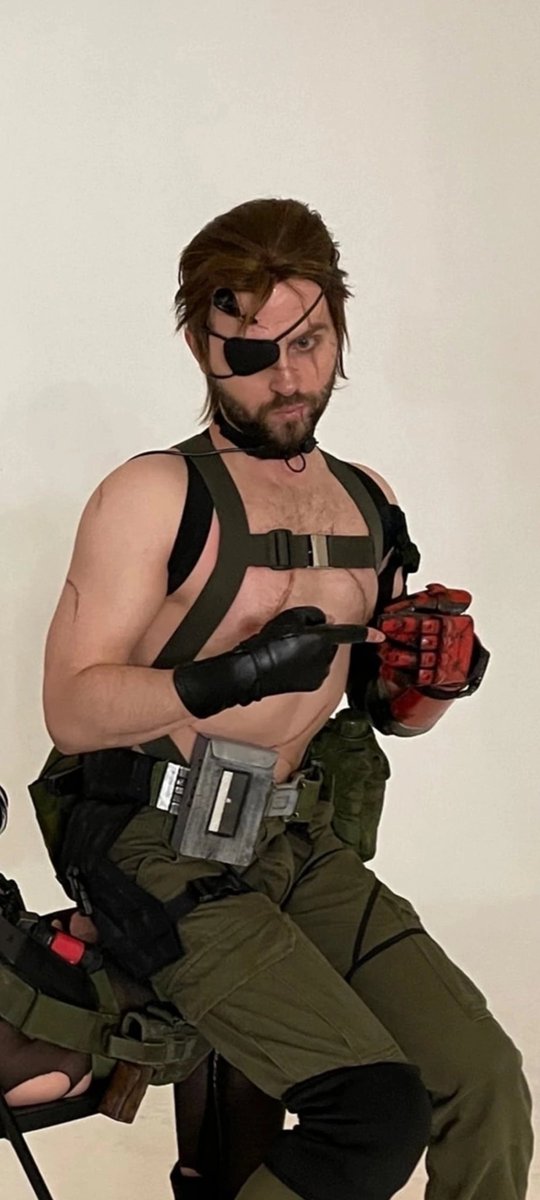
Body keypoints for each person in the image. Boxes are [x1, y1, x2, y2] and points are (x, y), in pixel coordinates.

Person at [39, 198, 532, 1200]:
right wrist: (232, 675)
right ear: (201, 346)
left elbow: (385, 712)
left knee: (485, 1085)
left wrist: (433, 679)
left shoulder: (368, 501)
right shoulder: (154, 494)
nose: (288, 378)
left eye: (308, 343)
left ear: (339, 328)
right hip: (151, 839)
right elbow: (72, 712)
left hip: (293, 838)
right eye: (252, 353)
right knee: (372, 1114)